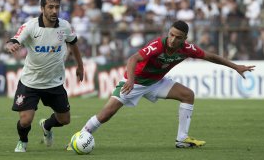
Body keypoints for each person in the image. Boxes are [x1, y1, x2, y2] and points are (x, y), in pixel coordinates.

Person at [68, 20, 255, 149]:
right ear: (168, 33)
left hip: (157, 82)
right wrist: (131, 80)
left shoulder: (187, 49)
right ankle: (79, 138)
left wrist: (235, 66)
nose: (173, 40)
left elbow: (210, 56)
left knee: (188, 95)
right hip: (137, 81)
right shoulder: (158, 44)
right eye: (171, 35)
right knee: (106, 114)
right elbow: (133, 58)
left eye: (178, 37)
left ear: (185, 38)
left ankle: (182, 139)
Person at [5, 0, 84, 152]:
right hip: (30, 82)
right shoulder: (30, 26)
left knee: (65, 120)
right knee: (25, 120)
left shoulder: (65, 26)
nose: (54, 11)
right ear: (42, 8)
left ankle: (47, 125)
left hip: (54, 82)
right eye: (50, 7)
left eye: (57, 7)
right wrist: (10, 45)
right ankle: (23, 141)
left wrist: (80, 66)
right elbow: (14, 39)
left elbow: (74, 44)